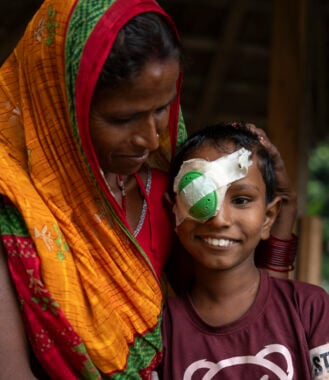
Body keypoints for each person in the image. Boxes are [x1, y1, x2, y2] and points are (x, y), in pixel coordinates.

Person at [0, 0, 297, 379]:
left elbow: (241, 324)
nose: (151, 138)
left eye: (163, 108)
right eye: (122, 118)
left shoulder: (163, 195)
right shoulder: (13, 207)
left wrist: (284, 210)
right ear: (60, 105)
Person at [157, 122, 329, 379]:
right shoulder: (159, 333)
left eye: (241, 200)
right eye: (199, 197)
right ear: (173, 214)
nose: (219, 219)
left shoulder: (310, 309)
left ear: (269, 217)